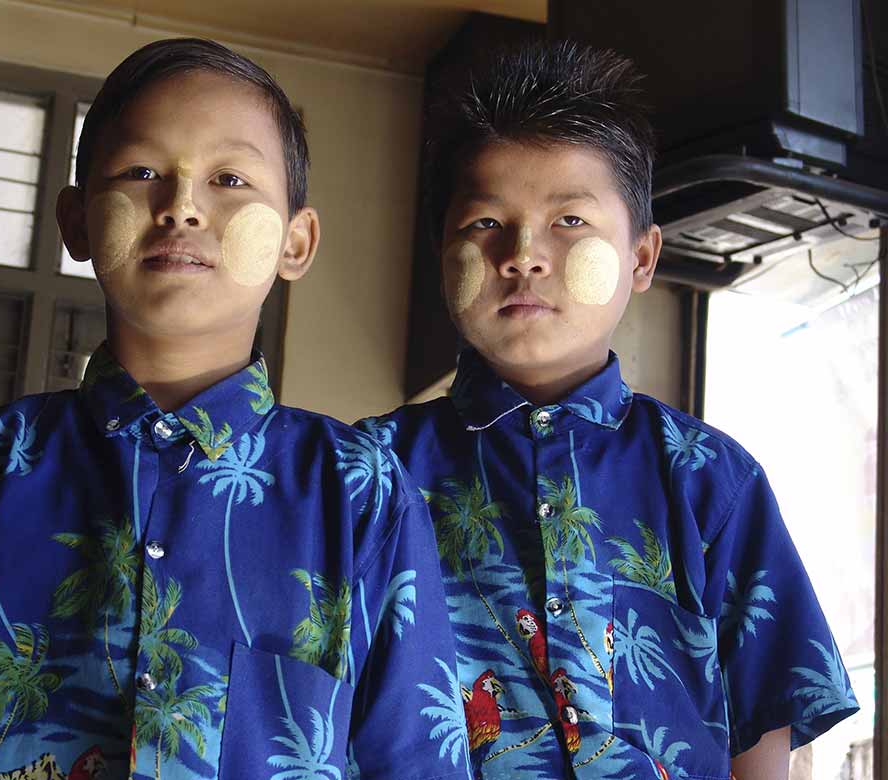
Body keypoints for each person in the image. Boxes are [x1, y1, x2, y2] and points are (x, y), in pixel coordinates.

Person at [0, 38, 469, 780]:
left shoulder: (362, 492)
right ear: (76, 221)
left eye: (229, 178)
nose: (181, 207)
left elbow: (416, 763)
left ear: (295, 241)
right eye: (142, 172)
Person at [357, 41, 858, 780]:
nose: (523, 254)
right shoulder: (365, 473)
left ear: (643, 258)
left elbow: (765, 730)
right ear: (441, 255)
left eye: (569, 222)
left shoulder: (714, 481)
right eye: (486, 223)